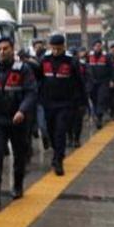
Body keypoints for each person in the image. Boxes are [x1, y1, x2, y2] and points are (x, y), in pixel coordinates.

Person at [0, 37, 37, 208]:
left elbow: (31, 92)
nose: (2, 52)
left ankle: (17, 185)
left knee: (19, 155)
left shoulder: (23, 69)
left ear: (12, 49)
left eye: (6, 48)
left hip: (18, 120)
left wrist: (22, 111)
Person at [39, 34, 86, 176]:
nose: (55, 51)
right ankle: (56, 151)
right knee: (50, 131)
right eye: (53, 48)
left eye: (58, 49)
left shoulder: (71, 61)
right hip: (48, 102)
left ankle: (59, 160)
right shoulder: (44, 59)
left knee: (60, 132)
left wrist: (81, 102)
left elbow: (79, 82)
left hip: (65, 104)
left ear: (63, 47)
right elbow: (38, 78)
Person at [85, 40, 113, 129]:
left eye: (99, 46)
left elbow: (111, 69)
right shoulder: (89, 56)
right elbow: (85, 69)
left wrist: (111, 80)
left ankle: (99, 118)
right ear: (93, 47)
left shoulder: (106, 56)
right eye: (96, 46)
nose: (98, 47)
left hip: (103, 82)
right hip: (92, 82)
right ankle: (97, 114)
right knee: (94, 100)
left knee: (101, 99)